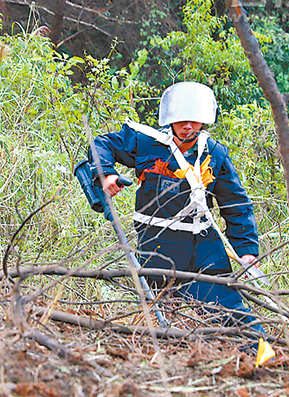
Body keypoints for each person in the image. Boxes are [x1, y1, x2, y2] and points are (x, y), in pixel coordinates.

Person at [89, 82, 263, 334]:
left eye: (194, 120)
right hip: (158, 245)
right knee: (156, 317)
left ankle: (263, 357)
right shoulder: (146, 143)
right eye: (181, 120)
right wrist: (107, 175)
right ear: (170, 119)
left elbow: (236, 204)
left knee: (230, 312)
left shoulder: (214, 154)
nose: (187, 126)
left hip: (203, 246)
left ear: (203, 121)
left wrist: (246, 250)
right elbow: (102, 145)